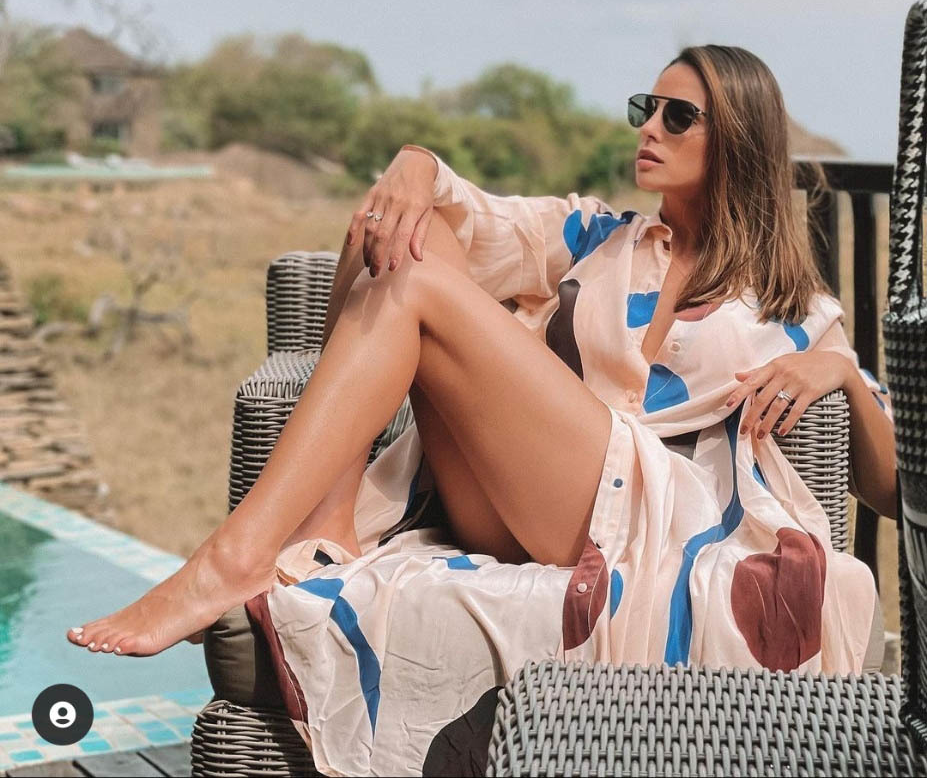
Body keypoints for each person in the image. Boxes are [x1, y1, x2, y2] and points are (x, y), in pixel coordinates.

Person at [66, 45, 896, 776]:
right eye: (645, 108)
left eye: (677, 116)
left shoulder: (791, 305)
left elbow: (890, 485)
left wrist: (842, 374)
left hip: (645, 518)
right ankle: (326, 520)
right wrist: (415, 162)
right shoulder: (595, 235)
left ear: (739, 139)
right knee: (396, 228)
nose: (648, 128)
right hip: (521, 497)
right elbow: (460, 213)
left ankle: (236, 557)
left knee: (414, 282)